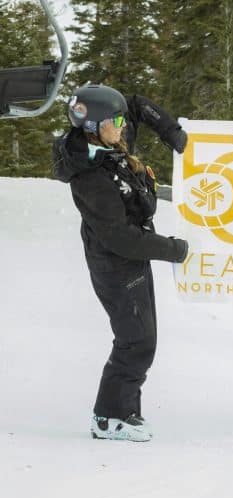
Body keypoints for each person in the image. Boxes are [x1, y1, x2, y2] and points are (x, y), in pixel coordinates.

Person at [52, 83, 189, 442]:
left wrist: (173, 134)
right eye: (115, 122)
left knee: (143, 337)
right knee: (135, 340)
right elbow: (119, 238)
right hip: (117, 263)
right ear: (94, 127)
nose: (123, 125)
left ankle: (126, 411)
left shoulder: (111, 143)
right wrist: (172, 249)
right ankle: (108, 417)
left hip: (132, 257)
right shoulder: (90, 178)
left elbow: (137, 105)